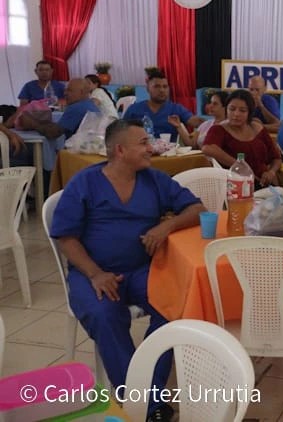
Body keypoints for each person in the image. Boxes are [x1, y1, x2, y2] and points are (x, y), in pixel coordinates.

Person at [49, 119, 205, 422]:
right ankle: (147, 405)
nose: (151, 148)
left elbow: (197, 208)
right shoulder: (85, 182)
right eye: (143, 143)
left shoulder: (154, 179)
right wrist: (95, 273)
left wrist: (167, 226)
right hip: (92, 272)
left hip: (141, 269)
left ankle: (144, 394)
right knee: (104, 315)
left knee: (176, 306)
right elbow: (65, 237)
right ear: (120, 150)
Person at [202, 90, 281, 187]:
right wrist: (239, 166)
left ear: (250, 112)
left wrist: (271, 172)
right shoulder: (219, 129)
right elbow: (208, 148)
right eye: (232, 109)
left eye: (242, 110)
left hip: (264, 183)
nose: (236, 114)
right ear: (226, 110)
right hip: (234, 185)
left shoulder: (258, 128)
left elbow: (276, 158)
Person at [123, 71, 202, 142]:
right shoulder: (134, 109)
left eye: (165, 86)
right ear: (148, 89)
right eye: (157, 86)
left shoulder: (176, 109)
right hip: (140, 151)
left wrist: (208, 123)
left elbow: (195, 121)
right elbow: (121, 131)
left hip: (169, 152)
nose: (162, 90)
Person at [19, 78, 100, 140]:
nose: (65, 93)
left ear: (81, 92)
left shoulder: (76, 108)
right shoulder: (89, 105)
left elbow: (54, 133)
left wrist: (32, 124)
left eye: (69, 90)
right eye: (65, 90)